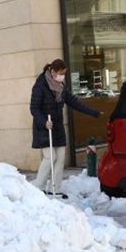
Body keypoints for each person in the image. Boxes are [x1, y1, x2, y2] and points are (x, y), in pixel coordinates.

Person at [30, 59, 102, 199]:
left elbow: (73, 101)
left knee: (60, 158)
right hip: (45, 127)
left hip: (57, 127)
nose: (62, 76)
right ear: (52, 71)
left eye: (64, 74)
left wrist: (93, 112)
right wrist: (44, 122)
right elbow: (34, 108)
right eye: (60, 73)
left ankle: (54, 189)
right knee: (50, 157)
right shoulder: (40, 85)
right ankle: (38, 187)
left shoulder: (61, 86)